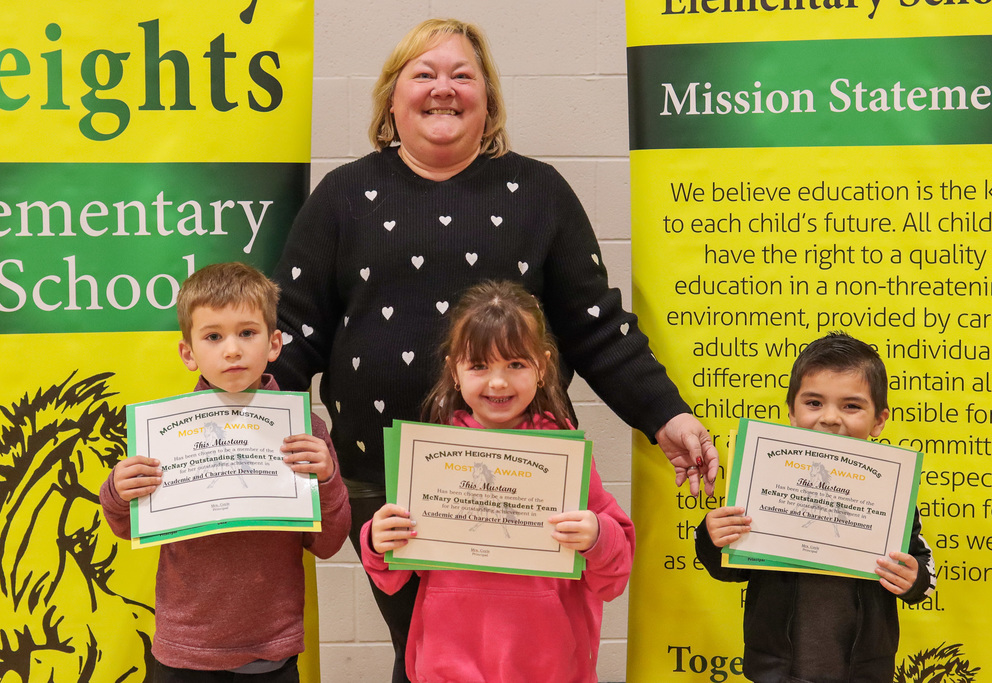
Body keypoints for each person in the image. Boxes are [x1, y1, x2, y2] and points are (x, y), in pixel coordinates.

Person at [269, 17, 716, 681]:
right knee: (423, 655)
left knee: (511, 656)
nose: (443, 89)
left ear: (490, 100)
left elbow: (597, 325)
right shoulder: (342, 196)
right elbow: (292, 330)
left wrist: (666, 415)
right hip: (381, 482)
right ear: (392, 98)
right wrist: (230, 424)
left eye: (461, 75)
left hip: (517, 485)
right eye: (424, 74)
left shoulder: (539, 193)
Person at [361, 280, 634, 683]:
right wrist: (377, 538)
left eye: (515, 364)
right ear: (455, 369)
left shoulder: (565, 457)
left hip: (548, 666)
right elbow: (393, 574)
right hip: (447, 664)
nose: (498, 383)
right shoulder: (431, 454)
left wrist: (597, 535)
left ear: (542, 367)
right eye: (479, 365)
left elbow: (615, 574)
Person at [99, 262, 351, 681]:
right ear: (188, 352)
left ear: (274, 343)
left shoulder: (306, 432)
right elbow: (127, 528)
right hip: (184, 651)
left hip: (272, 652)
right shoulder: (163, 433)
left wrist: (325, 481)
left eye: (247, 333)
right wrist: (117, 491)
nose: (231, 350)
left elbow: (327, 544)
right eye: (213, 336)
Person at [695, 332, 936, 683]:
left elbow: (924, 572)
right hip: (775, 672)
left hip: (863, 674)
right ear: (792, 411)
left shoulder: (891, 494)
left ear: (879, 420)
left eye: (851, 406)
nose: (830, 418)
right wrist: (712, 537)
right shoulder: (765, 481)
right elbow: (730, 569)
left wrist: (914, 579)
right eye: (814, 403)